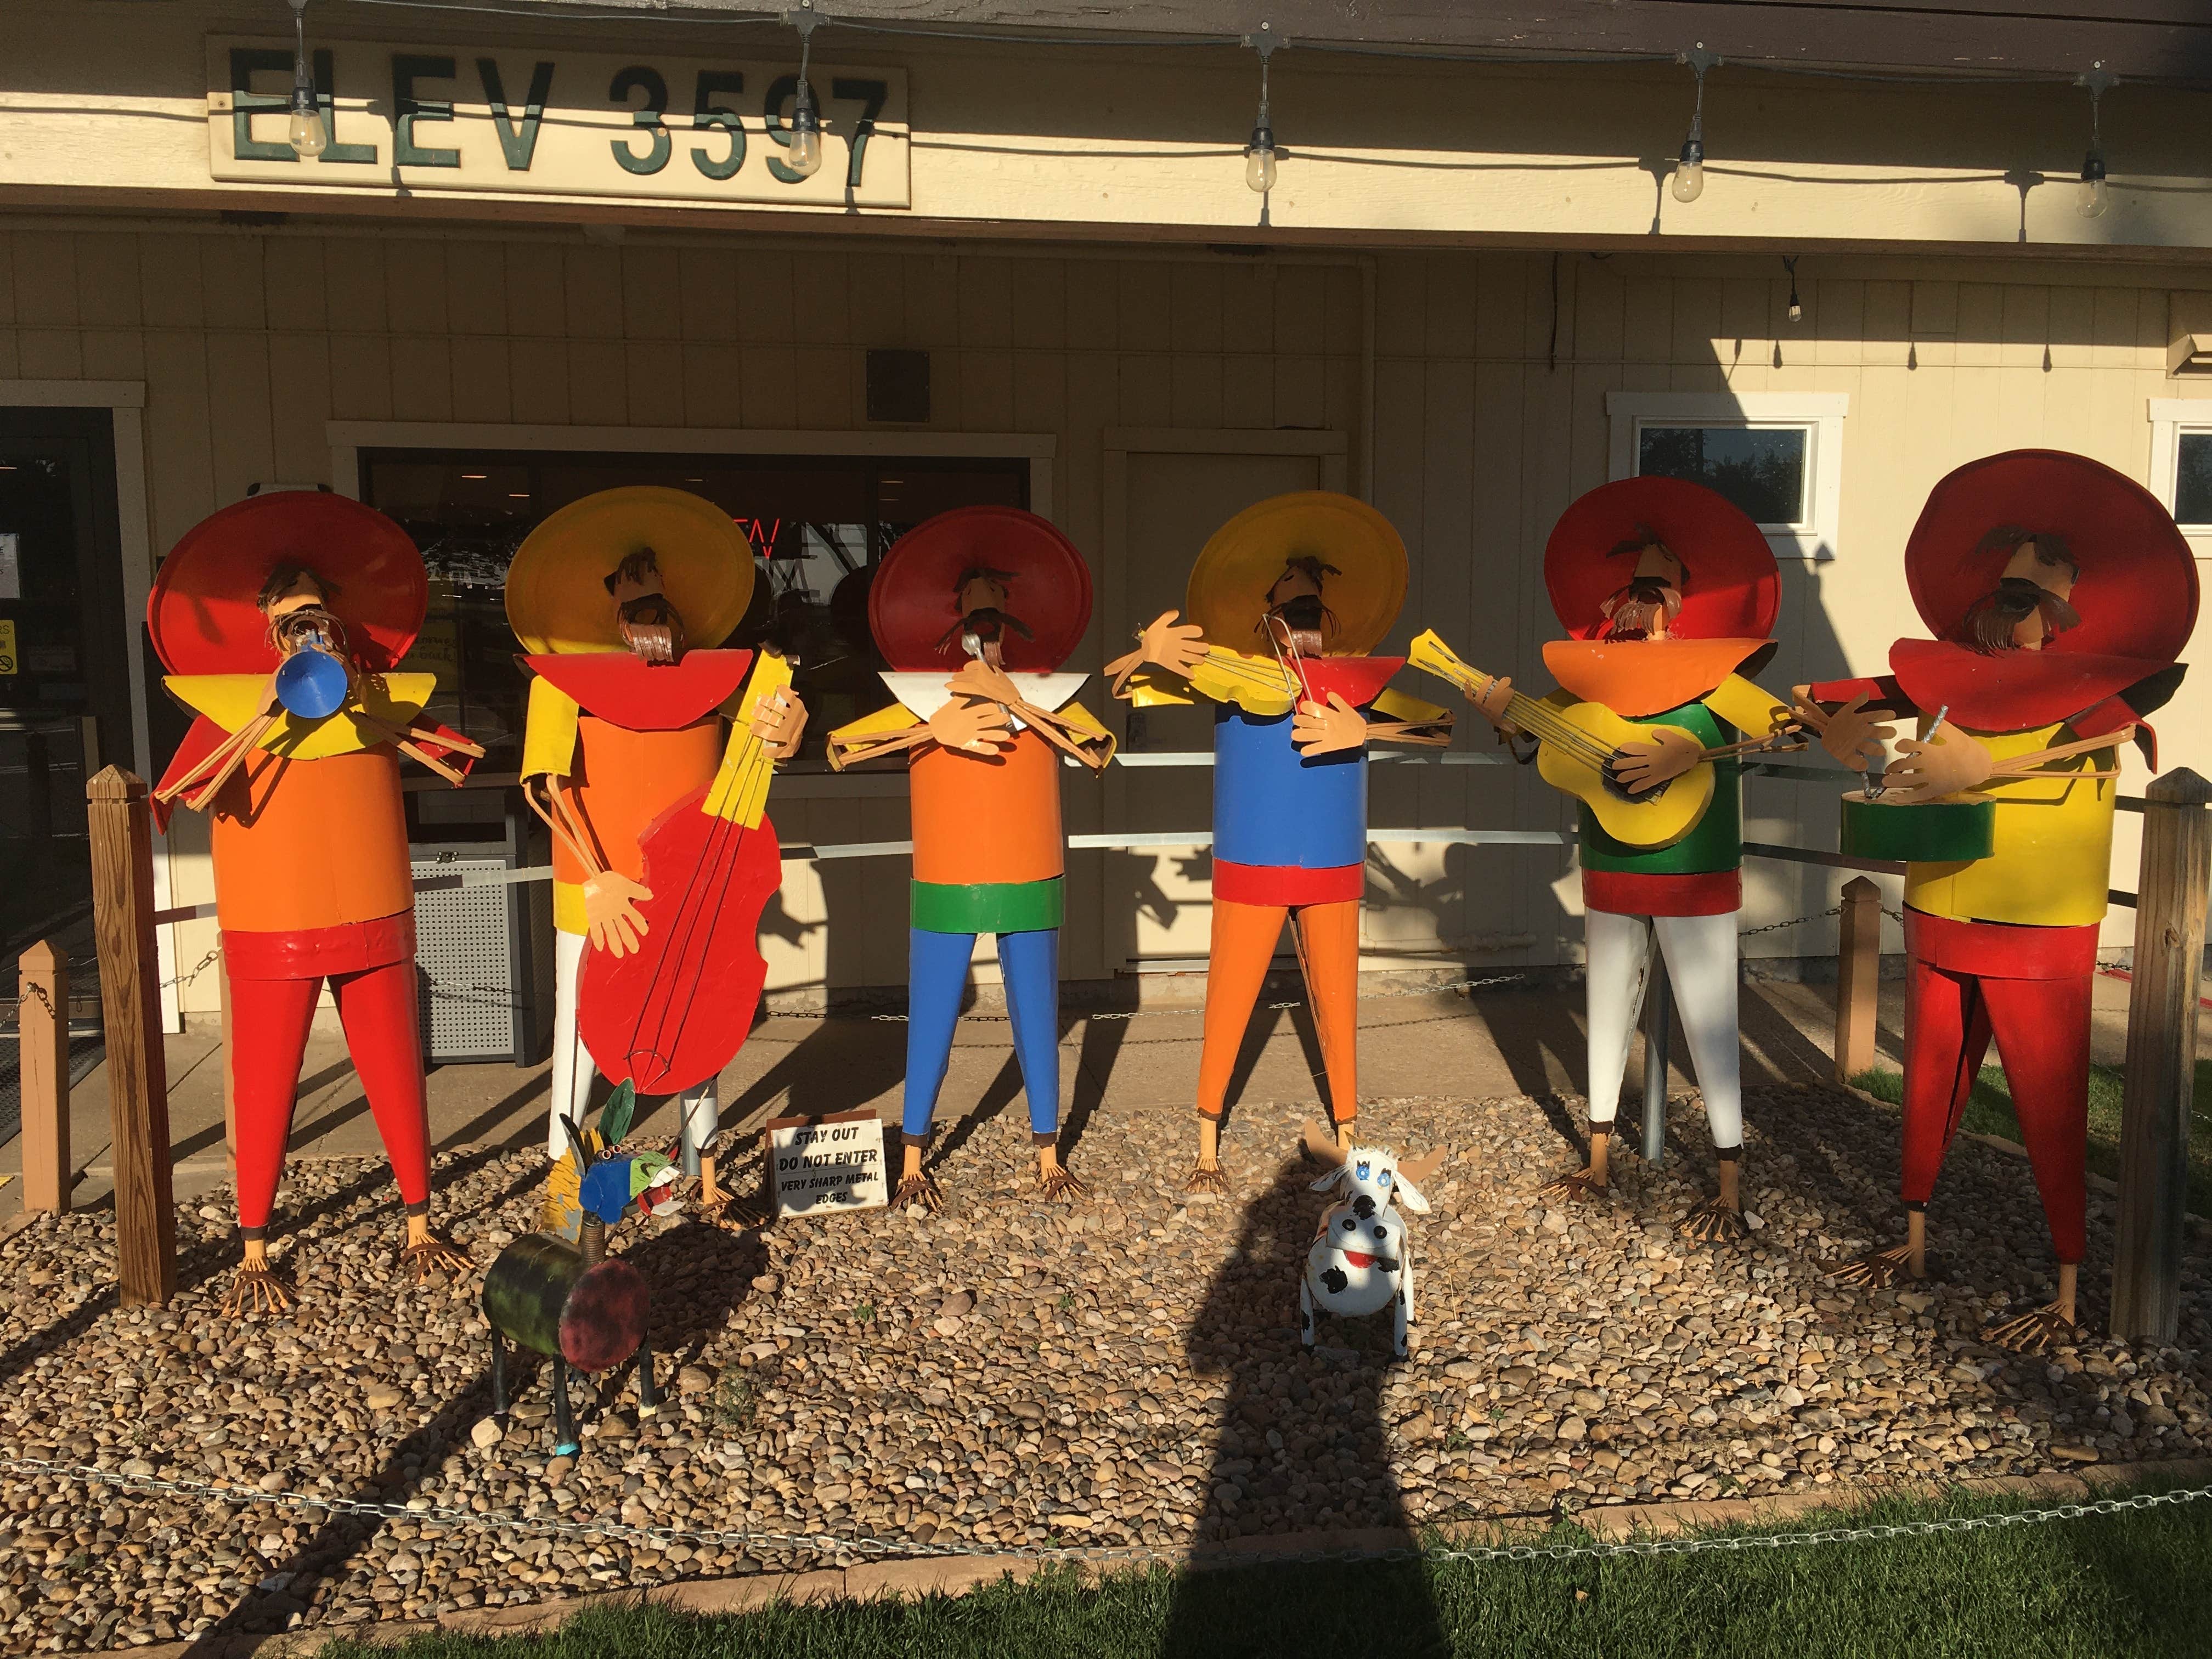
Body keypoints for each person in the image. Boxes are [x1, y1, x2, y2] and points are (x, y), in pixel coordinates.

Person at [1798, 449, 2194, 1351]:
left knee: (2047, 1102)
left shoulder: (2094, 700)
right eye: (2004, 599)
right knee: (1929, 1079)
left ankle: (2063, 1283)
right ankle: (1912, 1233)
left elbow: (2128, 730)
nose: (2011, 618)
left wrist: (1985, 766)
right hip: (1941, 907)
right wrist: (1843, 731)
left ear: (2057, 614)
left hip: (2036, 927)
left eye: (2029, 603)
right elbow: (1838, 706)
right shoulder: (1952, 686)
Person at [148, 492, 479, 1316]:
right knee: (263, 1085)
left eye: (316, 616)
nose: (307, 631)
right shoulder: (233, 709)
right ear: (265, 626)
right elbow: (181, 795)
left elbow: (456, 759)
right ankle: (255, 1247)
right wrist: (265, 708)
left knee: (397, 1074)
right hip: (273, 923)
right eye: (292, 618)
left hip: (375, 915)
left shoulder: (371, 701)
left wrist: (371, 704)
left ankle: (418, 1221)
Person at [1440, 478, 1796, 1239]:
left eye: (1654, 586)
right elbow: (1537, 735)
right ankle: (1599, 1155)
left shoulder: (1718, 679)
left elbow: (1784, 731)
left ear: (1681, 599)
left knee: (1710, 1019)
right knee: (1606, 1009)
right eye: (1630, 586)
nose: (1638, 601)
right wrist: (1505, 719)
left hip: (1697, 874)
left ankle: (1729, 1179)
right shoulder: (1586, 682)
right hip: (1609, 872)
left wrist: (1694, 746)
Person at [1109, 492, 1451, 1192]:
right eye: (1290, 609)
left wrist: (1363, 730)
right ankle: (1207, 1141)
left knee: (1339, 1000)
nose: (1303, 623)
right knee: (1229, 997)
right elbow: (1138, 684)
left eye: (1311, 608)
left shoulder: (1352, 681)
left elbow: (1438, 727)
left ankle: (1350, 1130)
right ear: (1265, 617)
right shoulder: (1239, 675)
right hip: (1253, 860)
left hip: (1333, 861)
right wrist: (1149, 651)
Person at [507, 488, 805, 1206]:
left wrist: (785, 733)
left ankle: (697, 1180)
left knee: (697, 1030)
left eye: (655, 588)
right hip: (596, 897)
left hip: (693, 894)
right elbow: (544, 788)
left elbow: (763, 739)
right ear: (609, 601)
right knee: (580, 1041)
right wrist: (595, 879)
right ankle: (566, 1193)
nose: (647, 603)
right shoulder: (561, 685)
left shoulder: (718, 679)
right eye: (631, 589)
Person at [826, 507, 1113, 1209]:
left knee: (1037, 1018)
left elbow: (1097, 749)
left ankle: (1048, 1152)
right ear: (954, 619)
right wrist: (934, 725)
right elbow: (840, 748)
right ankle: (913, 1159)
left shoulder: (1044, 689)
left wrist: (1019, 703)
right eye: (973, 610)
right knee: (931, 1021)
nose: (986, 628)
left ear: (1014, 616)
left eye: (997, 608)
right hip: (948, 879)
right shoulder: (922, 696)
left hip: (1032, 875)